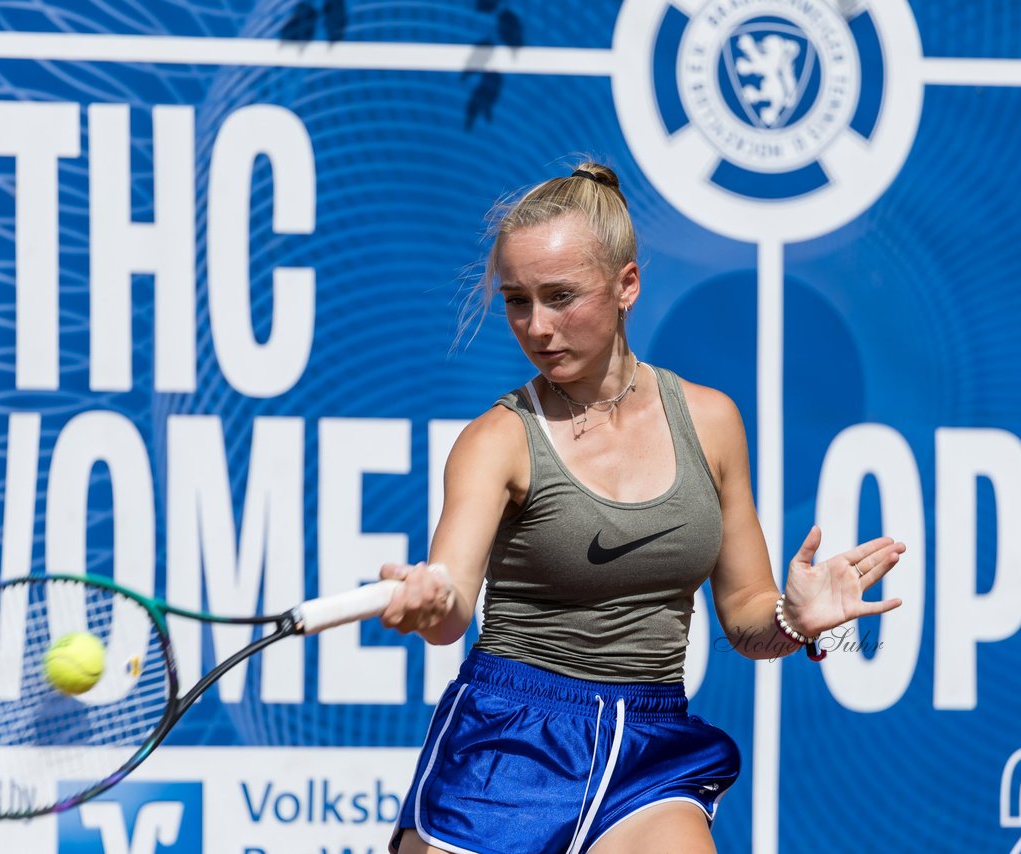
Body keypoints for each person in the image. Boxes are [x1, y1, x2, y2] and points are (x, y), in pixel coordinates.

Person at [379, 162, 906, 854]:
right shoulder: (496, 440)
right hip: (507, 739)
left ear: (627, 284)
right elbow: (450, 607)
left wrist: (795, 619)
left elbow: (748, 615)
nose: (536, 326)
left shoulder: (713, 422)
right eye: (516, 300)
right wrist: (429, 605)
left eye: (560, 296)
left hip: (649, 747)